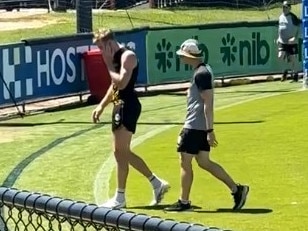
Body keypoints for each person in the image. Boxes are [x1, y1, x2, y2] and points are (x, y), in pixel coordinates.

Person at [164, 39, 249, 212]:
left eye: (183, 56)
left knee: (185, 160)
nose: (181, 59)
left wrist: (210, 130)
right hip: (198, 125)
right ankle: (236, 189)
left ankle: (184, 201)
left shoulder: (201, 73)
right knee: (204, 161)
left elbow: (207, 103)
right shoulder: (202, 71)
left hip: (195, 126)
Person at [91, 28, 170, 209]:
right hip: (119, 105)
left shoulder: (128, 57)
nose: (101, 52)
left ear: (110, 43)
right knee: (120, 152)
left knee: (121, 152)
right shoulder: (115, 58)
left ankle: (121, 197)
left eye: (102, 48)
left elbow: (122, 82)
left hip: (129, 106)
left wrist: (109, 65)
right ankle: (156, 184)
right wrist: (101, 106)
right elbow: (114, 86)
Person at [277, 1, 301, 82]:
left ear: (290, 8)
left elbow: (299, 28)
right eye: (283, 7)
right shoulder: (280, 17)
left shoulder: (293, 17)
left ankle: (295, 74)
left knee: (292, 59)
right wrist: (278, 37)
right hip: (282, 41)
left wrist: (295, 37)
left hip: (292, 42)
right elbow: (280, 28)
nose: (284, 9)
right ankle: (285, 72)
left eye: (286, 7)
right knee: (280, 56)